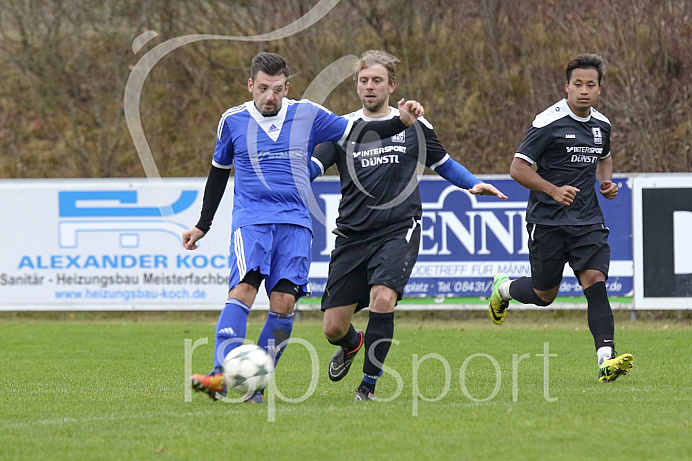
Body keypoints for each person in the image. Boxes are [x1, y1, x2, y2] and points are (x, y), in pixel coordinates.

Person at [186, 52, 424, 404]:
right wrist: (203, 224)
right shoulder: (232, 121)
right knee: (244, 290)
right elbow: (219, 172)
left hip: (296, 221)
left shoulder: (307, 113)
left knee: (283, 303)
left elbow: (359, 131)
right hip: (252, 220)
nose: (270, 96)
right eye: (263, 88)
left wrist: (400, 122)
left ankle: (256, 384)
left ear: (287, 87)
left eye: (277, 89)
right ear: (250, 85)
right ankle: (222, 374)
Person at [310, 50, 508, 402]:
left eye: (377, 81)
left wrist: (471, 183)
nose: (369, 87)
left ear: (391, 86)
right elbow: (315, 164)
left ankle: (367, 388)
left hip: (398, 227)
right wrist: (292, 175)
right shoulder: (341, 128)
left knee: (382, 299)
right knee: (332, 328)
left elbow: (443, 162)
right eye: (363, 81)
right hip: (352, 234)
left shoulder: (414, 124)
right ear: (356, 86)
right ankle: (354, 344)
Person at [488, 53, 634, 382]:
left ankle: (605, 359)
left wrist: (605, 182)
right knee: (544, 295)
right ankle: (504, 289)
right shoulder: (547, 122)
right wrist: (553, 190)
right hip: (548, 221)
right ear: (566, 86)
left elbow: (605, 157)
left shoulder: (602, 124)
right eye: (577, 84)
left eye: (590, 85)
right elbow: (517, 169)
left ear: (599, 89)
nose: (584, 90)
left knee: (595, 283)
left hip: (587, 221)